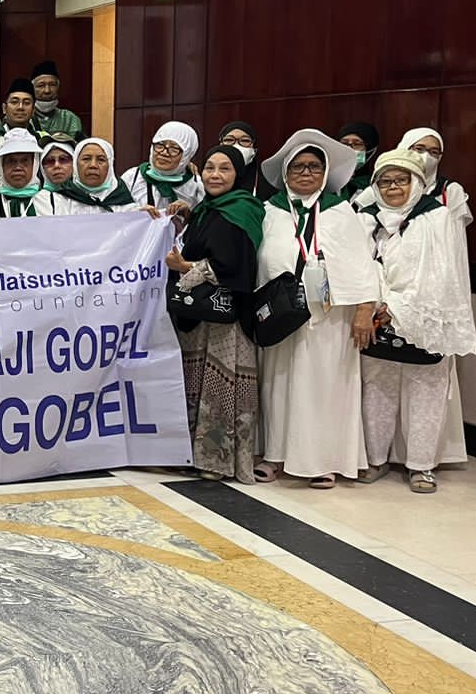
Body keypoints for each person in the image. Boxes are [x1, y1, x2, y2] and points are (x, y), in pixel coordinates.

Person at [256, 130, 381, 489]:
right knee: (279, 387)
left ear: (325, 173)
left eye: (314, 166)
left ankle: (324, 461)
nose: (306, 173)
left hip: (331, 318)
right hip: (283, 314)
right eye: (298, 166)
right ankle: (275, 455)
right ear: (285, 172)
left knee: (326, 388)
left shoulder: (341, 212)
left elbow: (362, 263)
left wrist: (365, 310)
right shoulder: (270, 211)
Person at [356, 149, 476, 493]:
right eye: (385, 181)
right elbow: (359, 266)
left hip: (424, 320)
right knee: (376, 392)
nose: (393, 187)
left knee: (425, 395)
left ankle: (421, 466)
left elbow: (445, 274)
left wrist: (397, 307)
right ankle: (376, 459)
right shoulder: (366, 219)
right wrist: (376, 303)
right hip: (375, 319)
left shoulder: (437, 218)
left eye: (401, 180)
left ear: (417, 182)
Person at [167, 144, 265, 483]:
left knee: (220, 384)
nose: (215, 175)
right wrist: (187, 217)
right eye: (210, 168)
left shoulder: (243, 210)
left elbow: (235, 266)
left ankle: (217, 461)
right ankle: (191, 455)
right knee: (196, 382)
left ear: (239, 175)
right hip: (198, 314)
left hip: (227, 318)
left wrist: (184, 267)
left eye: (225, 169)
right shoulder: (208, 209)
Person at [396, 127, 473, 226]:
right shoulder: (385, 188)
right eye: (419, 149)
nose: (426, 156)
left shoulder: (450, 191)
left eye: (434, 152)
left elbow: (457, 233)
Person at [122, 121, 205, 210]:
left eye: (174, 149)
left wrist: (188, 213)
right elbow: (116, 211)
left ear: (186, 155)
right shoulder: (132, 177)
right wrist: (136, 212)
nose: (164, 152)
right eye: (160, 145)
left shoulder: (194, 186)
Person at [49, 137, 136, 214]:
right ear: (75, 164)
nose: (93, 165)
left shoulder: (128, 207)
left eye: (101, 160)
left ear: (110, 166)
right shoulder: (56, 202)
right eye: (86, 159)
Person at [0, 130, 47, 219]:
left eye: (24, 161)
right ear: (2, 166)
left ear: (34, 165)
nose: (18, 167)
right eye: (11, 161)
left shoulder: (50, 200)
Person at [29, 60, 85, 145]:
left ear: (58, 86)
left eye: (52, 85)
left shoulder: (69, 119)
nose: (47, 90)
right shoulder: (24, 117)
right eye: (41, 85)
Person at [338, 122, 380, 197]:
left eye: (357, 144)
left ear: (370, 149)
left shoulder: (377, 185)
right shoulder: (329, 182)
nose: (349, 148)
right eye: (344, 143)